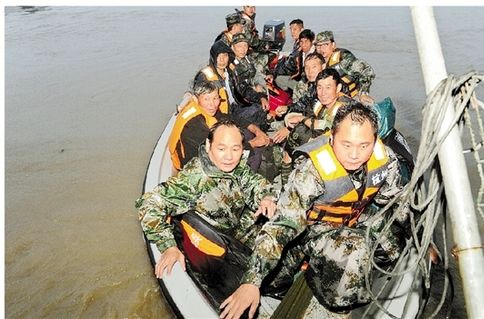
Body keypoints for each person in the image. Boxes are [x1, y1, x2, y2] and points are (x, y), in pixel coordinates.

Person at [220, 102, 410, 319]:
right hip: (309, 233)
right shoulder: (311, 172)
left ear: (375, 141)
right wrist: (251, 281)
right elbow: (283, 223)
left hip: (354, 221)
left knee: (393, 243)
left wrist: (423, 241)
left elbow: (399, 204)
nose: (355, 155)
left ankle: (344, 287)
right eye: (346, 145)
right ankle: (322, 287)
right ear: (332, 139)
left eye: (363, 145)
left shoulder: (386, 160)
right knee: (274, 283)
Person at [138, 120, 278, 307]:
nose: (229, 156)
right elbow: (148, 204)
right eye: (222, 149)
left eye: (235, 149)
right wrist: (168, 246)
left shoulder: (236, 166)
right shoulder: (194, 179)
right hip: (223, 250)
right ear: (208, 145)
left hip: (241, 229)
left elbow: (253, 181)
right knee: (279, 276)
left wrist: (266, 197)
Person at [194, 40, 271, 172]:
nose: (223, 60)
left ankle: (258, 142)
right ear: (213, 57)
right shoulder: (205, 77)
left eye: (226, 56)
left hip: (233, 110)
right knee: (250, 138)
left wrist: (261, 97)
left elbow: (244, 89)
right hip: (217, 116)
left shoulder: (230, 71)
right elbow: (201, 100)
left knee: (259, 111)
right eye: (220, 56)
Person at [168, 80, 228, 172]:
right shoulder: (194, 124)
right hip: (192, 168)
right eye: (206, 99)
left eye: (215, 98)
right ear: (196, 99)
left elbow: (223, 117)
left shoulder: (203, 108)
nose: (212, 104)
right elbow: (216, 150)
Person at [315, 30, 375, 104]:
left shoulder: (344, 59)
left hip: (353, 99)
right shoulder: (316, 61)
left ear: (333, 45)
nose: (322, 49)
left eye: (325, 44)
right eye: (319, 46)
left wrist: (363, 93)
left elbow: (367, 70)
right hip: (330, 100)